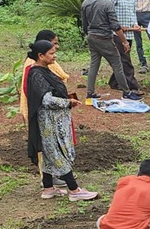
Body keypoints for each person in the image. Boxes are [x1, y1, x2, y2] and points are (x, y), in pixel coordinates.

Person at [25, 40, 98, 202]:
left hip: (54, 121)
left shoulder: (43, 70)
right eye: (51, 53)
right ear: (40, 56)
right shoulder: (36, 74)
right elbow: (47, 100)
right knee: (57, 153)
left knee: (49, 153)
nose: (54, 55)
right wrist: (68, 102)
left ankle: (48, 188)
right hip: (49, 123)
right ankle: (74, 189)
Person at [81, 0, 141, 100]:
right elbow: (115, 25)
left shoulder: (85, 3)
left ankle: (90, 92)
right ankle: (126, 92)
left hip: (91, 37)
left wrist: (90, 33)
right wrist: (124, 41)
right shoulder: (107, 3)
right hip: (104, 38)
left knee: (94, 65)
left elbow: (84, 24)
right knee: (117, 64)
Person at [20, 30, 69, 125]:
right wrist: (67, 102)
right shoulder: (35, 70)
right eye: (54, 43)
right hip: (48, 115)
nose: (57, 47)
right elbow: (43, 97)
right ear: (41, 55)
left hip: (56, 111)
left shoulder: (44, 64)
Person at [106, 0, 142, 94]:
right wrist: (116, 26)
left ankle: (114, 82)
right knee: (125, 60)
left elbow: (132, 13)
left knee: (121, 59)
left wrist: (135, 24)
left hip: (129, 34)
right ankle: (132, 86)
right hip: (117, 34)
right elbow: (107, 14)